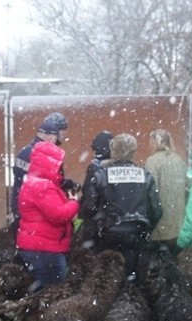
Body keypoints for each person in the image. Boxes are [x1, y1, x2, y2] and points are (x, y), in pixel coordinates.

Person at [87, 133, 163, 278]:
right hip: (137, 234)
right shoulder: (145, 176)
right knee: (133, 277)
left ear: (113, 152)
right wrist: (147, 228)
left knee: (109, 276)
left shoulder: (101, 175)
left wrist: (100, 226)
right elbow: (157, 209)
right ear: (134, 152)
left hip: (109, 235)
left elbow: (90, 207)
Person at [15, 141, 81, 291]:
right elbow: (59, 215)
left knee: (41, 294)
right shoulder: (43, 186)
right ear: (50, 164)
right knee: (53, 294)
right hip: (46, 251)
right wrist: (74, 202)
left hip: (38, 247)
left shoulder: (35, 182)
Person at [10, 112, 76, 237]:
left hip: (20, 207)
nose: (63, 136)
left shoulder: (25, 151)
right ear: (53, 133)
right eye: (62, 132)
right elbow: (47, 184)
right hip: (37, 212)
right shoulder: (45, 155)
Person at [144, 129, 188, 254]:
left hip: (160, 228)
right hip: (178, 226)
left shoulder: (152, 162)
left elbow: (149, 193)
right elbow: (188, 188)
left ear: (155, 143)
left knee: (159, 265)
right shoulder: (179, 160)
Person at [76, 130, 114, 247]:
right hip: (112, 222)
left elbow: (89, 200)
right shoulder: (116, 167)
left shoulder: (94, 168)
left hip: (95, 224)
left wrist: (81, 213)